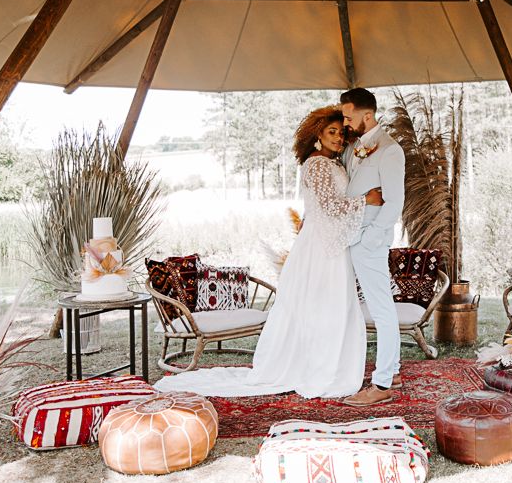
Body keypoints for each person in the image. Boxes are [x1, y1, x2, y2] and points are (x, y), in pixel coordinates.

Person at [154, 106, 383, 399]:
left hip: (326, 241)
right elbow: (330, 206)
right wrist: (366, 200)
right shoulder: (317, 165)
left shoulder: (332, 163)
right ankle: (320, 369)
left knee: (329, 305)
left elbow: (316, 208)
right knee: (324, 305)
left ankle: (327, 365)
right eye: (332, 132)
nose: (339, 138)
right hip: (322, 247)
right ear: (318, 135)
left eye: (341, 132)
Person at [339, 88, 406, 407]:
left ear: (367, 116)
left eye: (348, 116)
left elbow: (395, 202)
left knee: (381, 309)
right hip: (351, 236)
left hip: (369, 241)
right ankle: (390, 371)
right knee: (375, 307)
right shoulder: (353, 148)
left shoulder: (390, 151)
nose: (344, 122)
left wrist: (372, 238)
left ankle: (381, 385)